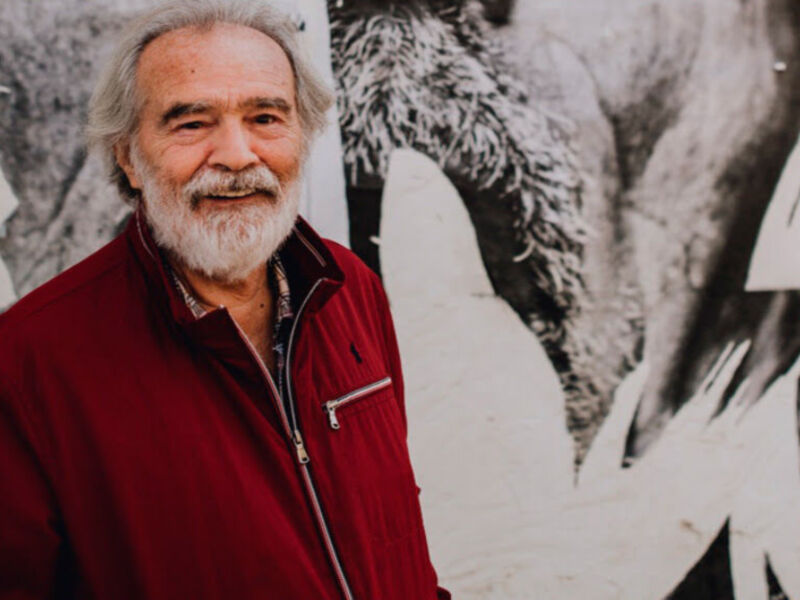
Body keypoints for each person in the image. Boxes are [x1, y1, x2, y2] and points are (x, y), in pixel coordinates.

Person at [0, 1, 448, 598]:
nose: (237, 156)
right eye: (191, 123)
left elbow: (395, 540)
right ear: (128, 156)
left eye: (266, 117)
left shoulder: (350, 288)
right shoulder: (29, 360)